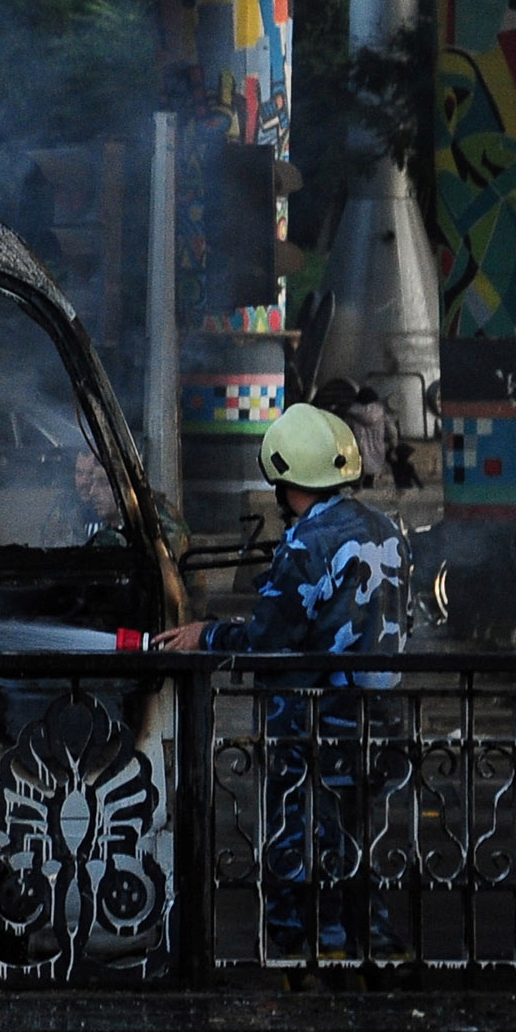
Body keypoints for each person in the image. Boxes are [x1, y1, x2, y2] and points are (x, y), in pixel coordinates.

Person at [151, 403, 406, 960]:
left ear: (285, 478)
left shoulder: (308, 543)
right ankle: (373, 942)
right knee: (360, 834)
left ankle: (301, 949)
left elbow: (269, 638)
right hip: (379, 715)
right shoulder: (387, 529)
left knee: (297, 834)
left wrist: (206, 635)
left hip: (310, 719)